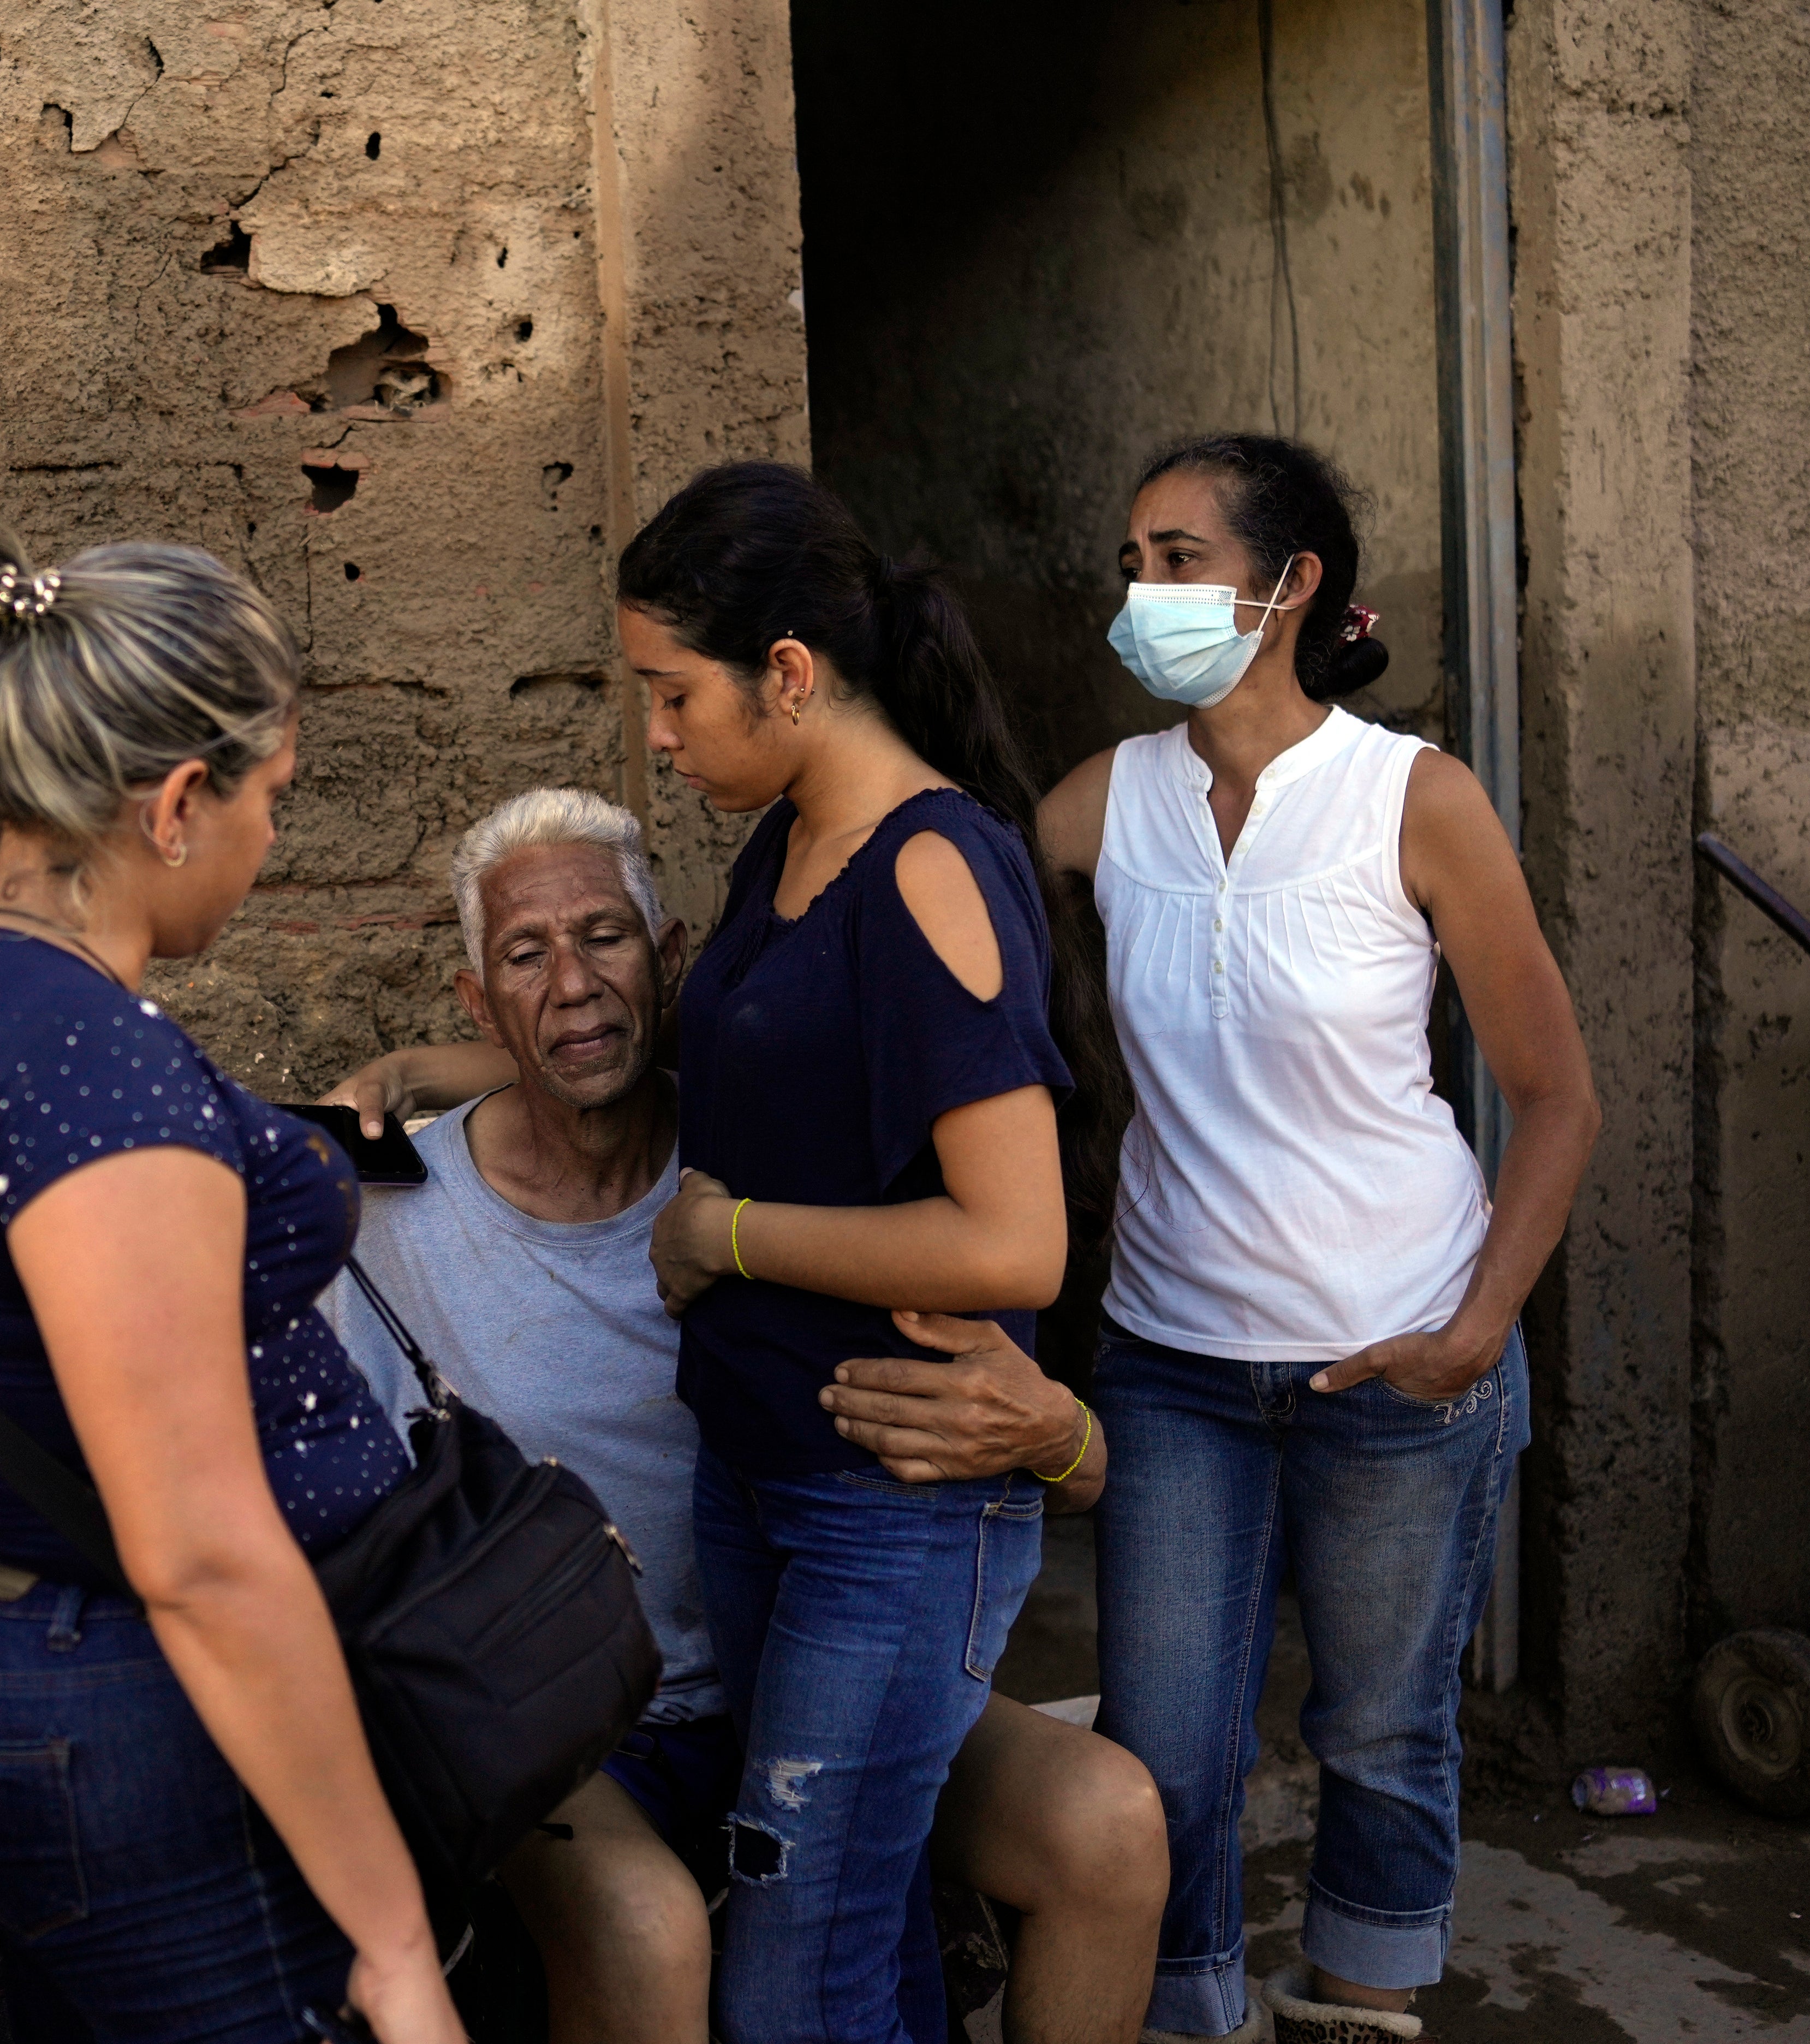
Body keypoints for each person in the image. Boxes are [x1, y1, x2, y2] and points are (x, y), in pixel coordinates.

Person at [334, 459, 1134, 2044]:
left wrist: (732, 1235)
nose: (655, 729)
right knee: (863, 1926)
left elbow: (1017, 1239)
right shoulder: (783, 850)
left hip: (879, 1505)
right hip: (770, 1489)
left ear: (786, 671)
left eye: (671, 690)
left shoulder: (927, 862)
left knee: (801, 1966)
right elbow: (731, 1060)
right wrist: (465, 1063)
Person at [986, 433, 1593, 2043]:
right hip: (1175, 1365)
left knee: (1385, 1735)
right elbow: (932, 915)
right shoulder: (1110, 801)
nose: (1145, 593)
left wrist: (1475, 1334)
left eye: (1177, 558)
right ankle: (1182, 2015)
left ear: (1291, 583)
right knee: (1167, 1751)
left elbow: (1556, 1098)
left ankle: (1359, 2015)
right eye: (1134, 562)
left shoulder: (1416, 799)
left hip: (1397, 1361)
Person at [0, 524, 460, 2044]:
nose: (271, 844)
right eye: (271, 802)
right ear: (178, 805)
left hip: (10, 1630)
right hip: (129, 1702)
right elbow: (204, 1557)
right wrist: (395, 1945)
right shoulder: (88, 1072)